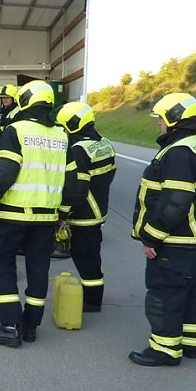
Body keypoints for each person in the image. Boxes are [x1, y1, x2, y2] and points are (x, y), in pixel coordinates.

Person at [0, 80, 69, 347]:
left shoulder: (15, 130)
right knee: (38, 270)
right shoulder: (62, 135)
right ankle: (30, 327)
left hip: (13, 215)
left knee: (4, 264)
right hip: (46, 217)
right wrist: (62, 213)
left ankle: (9, 326)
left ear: (24, 101)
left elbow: (3, 172)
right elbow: (69, 178)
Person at [129, 93, 196, 367]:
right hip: (186, 241)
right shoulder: (192, 146)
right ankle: (188, 343)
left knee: (163, 294)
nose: (159, 125)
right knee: (184, 294)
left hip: (173, 241)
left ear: (175, 119)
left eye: (162, 119)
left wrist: (152, 235)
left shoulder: (179, 152)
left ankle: (164, 350)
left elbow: (175, 201)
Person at [56, 101, 117, 312]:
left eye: (64, 126)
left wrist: (63, 213)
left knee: (84, 256)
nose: (63, 131)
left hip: (84, 214)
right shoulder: (105, 143)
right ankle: (93, 294)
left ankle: (92, 301)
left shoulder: (78, 150)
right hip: (98, 209)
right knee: (91, 255)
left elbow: (77, 189)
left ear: (73, 125)